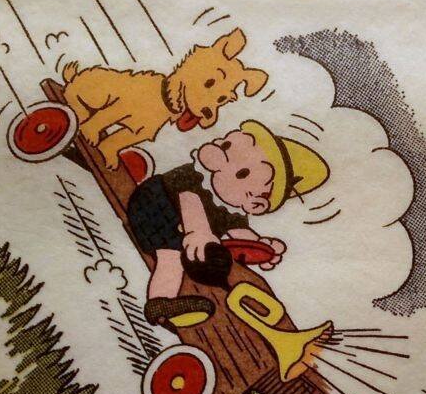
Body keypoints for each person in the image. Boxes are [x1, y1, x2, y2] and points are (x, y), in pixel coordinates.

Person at [126, 119, 330, 327]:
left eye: (243, 174)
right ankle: (159, 302)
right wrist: (198, 231)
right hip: (155, 206)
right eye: (226, 146)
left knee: (178, 257)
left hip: (179, 226)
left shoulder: (230, 206)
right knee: (170, 257)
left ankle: (165, 305)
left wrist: (262, 246)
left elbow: (238, 231)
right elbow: (188, 196)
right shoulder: (197, 176)